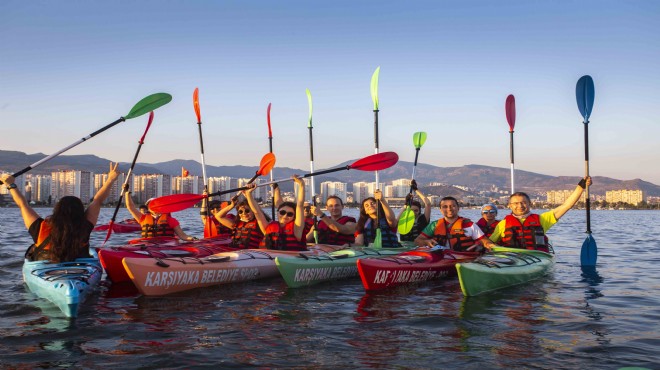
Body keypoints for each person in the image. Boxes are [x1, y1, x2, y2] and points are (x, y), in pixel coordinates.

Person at [1, 163, 120, 262]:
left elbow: (23, 204)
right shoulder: (84, 226)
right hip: (78, 270)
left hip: (45, 268)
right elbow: (98, 201)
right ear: (80, 212)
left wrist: (11, 185)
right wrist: (110, 180)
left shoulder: (40, 227)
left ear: (57, 210)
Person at [490, 177, 592, 252]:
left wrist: (580, 187)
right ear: (510, 206)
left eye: (524, 202)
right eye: (516, 203)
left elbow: (566, 206)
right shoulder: (503, 224)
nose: (520, 206)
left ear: (529, 204)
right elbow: (490, 242)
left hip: (537, 256)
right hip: (511, 257)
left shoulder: (542, 219)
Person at [415, 196, 495, 252]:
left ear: (458, 208)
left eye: (453, 206)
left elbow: (484, 240)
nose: (449, 209)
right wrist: (426, 242)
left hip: (464, 258)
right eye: (445, 207)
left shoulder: (470, 225)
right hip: (440, 258)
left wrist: (489, 245)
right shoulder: (434, 225)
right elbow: (418, 240)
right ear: (440, 210)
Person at [248, 176, 308, 251]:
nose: (285, 216)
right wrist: (248, 194)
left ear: (294, 216)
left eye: (290, 214)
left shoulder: (297, 228)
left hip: (291, 257)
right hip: (269, 257)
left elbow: (300, 205)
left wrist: (301, 184)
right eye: (282, 212)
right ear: (278, 212)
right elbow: (257, 212)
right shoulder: (269, 226)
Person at [125, 191, 197, 241]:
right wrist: (127, 193)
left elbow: (182, 236)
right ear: (148, 207)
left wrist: (192, 238)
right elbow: (130, 207)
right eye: (151, 205)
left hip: (166, 245)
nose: (153, 206)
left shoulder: (171, 220)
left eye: (156, 204)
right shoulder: (142, 218)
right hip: (148, 245)